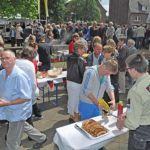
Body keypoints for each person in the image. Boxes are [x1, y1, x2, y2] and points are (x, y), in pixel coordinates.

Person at [0, 50, 46, 150]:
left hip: (18, 111)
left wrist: (8, 102)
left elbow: (26, 97)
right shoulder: (2, 73)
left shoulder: (20, 76)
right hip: (8, 110)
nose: (4, 60)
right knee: (24, 125)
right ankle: (42, 138)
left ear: (14, 59)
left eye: (7, 58)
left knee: (11, 141)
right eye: (2, 58)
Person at [116, 53, 150, 150]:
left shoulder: (135, 91)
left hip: (140, 133)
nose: (127, 72)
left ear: (134, 70)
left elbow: (132, 123)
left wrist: (120, 122)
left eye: (127, 69)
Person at [67, 40, 86, 123]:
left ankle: (71, 116)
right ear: (78, 49)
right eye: (83, 49)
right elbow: (83, 74)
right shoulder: (81, 60)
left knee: (71, 99)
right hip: (77, 82)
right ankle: (76, 118)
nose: (84, 51)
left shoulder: (69, 57)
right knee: (77, 100)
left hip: (69, 81)